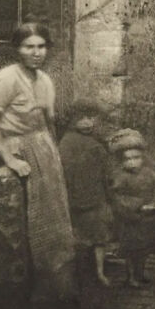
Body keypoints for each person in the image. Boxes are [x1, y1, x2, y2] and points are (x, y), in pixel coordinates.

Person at [0, 21, 76, 304]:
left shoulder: (45, 81)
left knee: (53, 217)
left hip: (43, 149)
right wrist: (9, 158)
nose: (36, 53)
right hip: (15, 147)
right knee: (21, 220)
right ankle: (17, 288)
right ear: (17, 49)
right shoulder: (7, 78)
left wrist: (54, 156)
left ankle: (51, 285)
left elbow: (49, 122)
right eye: (29, 47)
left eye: (41, 46)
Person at [59, 102, 118, 288]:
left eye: (91, 118)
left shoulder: (67, 141)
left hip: (81, 196)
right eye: (81, 119)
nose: (87, 123)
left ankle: (91, 271)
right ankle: (97, 271)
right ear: (72, 121)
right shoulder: (77, 143)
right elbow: (108, 174)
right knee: (96, 236)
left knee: (87, 236)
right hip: (87, 197)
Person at [108, 129, 155, 288]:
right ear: (121, 161)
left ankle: (140, 273)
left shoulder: (148, 172)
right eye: (127, 159)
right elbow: (117, 198)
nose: (132, 162)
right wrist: (134, 207)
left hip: (148, 218)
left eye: (136, 158)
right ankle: (131, 276)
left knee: (144, 249)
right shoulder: (121, 177)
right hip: (132, 219)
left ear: (142, 158)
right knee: (132, 249)